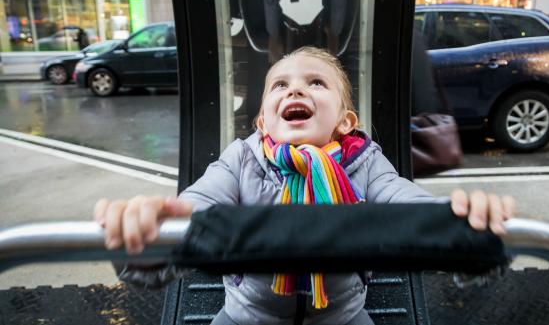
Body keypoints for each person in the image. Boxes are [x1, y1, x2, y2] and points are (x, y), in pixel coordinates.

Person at [94, 46, 515, 325]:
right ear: (263, 122)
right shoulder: (241, 158)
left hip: (343, 317)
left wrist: (460, 224)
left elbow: (406, 201)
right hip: (246, 316)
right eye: (280, 85)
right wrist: (154, 231)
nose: (296, 87)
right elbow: (199, 203)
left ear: (345, 122)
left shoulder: (365, 162)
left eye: (316, 82)